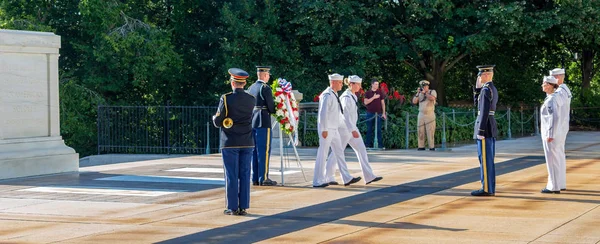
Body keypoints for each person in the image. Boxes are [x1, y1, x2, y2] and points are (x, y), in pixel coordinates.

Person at [212, 68, 256, 215]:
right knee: (244, 174)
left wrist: (214, 119)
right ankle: (243, 206)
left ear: (233, 82)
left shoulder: (226, 98)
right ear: (244, 83)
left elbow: (218, 121)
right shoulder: (251, 99)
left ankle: (232, 207)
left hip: (230, 141)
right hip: (247, 141)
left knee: (231, 175)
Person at [326, 75, 383, 185]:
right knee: (337, 153)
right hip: (345, 128)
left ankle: (369, 176)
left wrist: (353, 129)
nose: (360, 87)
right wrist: (352, 130)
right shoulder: (346, 97)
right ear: (351, 84)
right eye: (358, 84)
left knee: (361, 150)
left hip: (351, 128)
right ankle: (329, 176)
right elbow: (345, 115)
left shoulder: (352, 96)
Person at [313, 73, 349, 188]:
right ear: (333, 82)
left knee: (339, 153)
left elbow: (337, 114)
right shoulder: (327, 95)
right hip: (327, 129)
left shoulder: (334, 94)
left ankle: (346, 177)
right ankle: (318, 180)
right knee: (322, 154)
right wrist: (323, 129)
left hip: (334, 129)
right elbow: (323, 113)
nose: (341, 85)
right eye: (339, 82)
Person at [471, 65, 498, 197]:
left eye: (480, 75)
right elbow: (478, 105)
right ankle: (489, 187)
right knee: (487, 159)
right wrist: (477, 89)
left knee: (486, 160)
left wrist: (480, 130)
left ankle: (487, 188)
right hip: (489, 126)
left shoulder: (487, 90)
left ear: (486, 75)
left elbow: (484, 112)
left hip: (485, 127)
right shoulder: (489, 89)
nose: (479, 77)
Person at [247, 66, 277, 186]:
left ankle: (255, 178)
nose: (269, 76)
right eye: (268, 74)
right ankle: (263, 177)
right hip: (263, 120)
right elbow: (271, 106)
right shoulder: (265, 88)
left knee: (254, 151)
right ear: (265, 75)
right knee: (264, 150)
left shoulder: (251, 88)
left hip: (253, 120)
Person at [550, 68, 572, 191]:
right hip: (562, 126)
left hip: (558, 127)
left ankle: (555, 184)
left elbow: (556, 111)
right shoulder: (564, 89)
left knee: (554, 156)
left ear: (557, 78)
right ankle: (560, 183)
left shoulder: (559, 91)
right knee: (559, 155)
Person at [540, 76, 562, 194]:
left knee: (551, 160)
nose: (542, 85)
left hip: (550, 134)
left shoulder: (551, 100)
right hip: (550, 133)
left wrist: (550, 134)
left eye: (544, 83)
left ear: (550, 85)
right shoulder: (551, 98)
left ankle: (553, 186)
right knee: (553, 160)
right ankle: (555, 185)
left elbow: (554, 118)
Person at [412, 80, 437, 151]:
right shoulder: (419, 93)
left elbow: (432, 98)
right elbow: (414, 102)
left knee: (430, 131)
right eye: (422, 87)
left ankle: (431, 146)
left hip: (430, 114)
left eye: (425, 86)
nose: (423, 88)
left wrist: (425, 93)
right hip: (421, 114)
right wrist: (417, 93)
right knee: (420, 130)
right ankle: (421, 146)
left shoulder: (432, 91)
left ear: (427, 86)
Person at [364, 79, 387, 148]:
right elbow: (365, 102)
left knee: (379, 130)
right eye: (376, 84)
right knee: (369, 129)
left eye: (378, 84)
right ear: (372, 84)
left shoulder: (380, 92)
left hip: (378, 114)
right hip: (370, 113)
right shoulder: (368, 93)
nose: (377, 85)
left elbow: (383, 103)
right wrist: (373, 97)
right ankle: (367, 145)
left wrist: (383, 113)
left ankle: (380, 145)